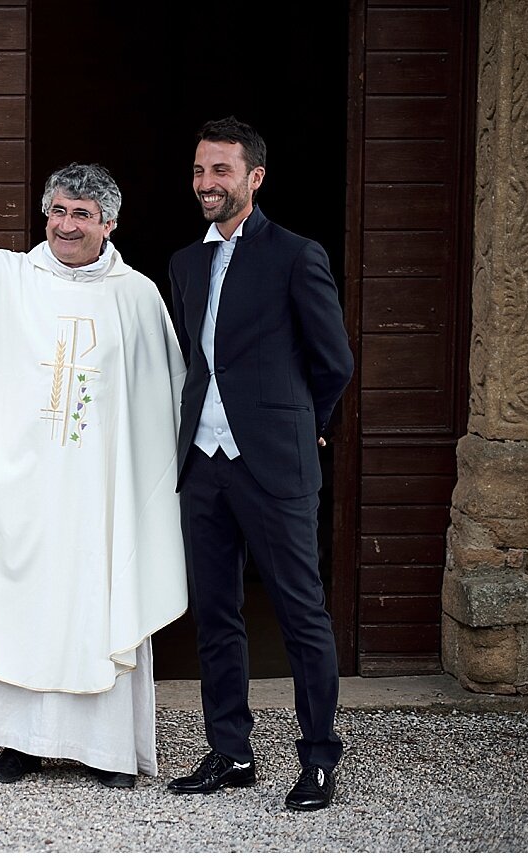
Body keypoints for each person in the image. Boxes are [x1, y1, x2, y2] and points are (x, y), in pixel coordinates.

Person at [0, 119, 188, 787]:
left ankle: (106, 752)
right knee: (15, 604)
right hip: (19, 494)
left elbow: (164, 408)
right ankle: (15, 745)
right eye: (58, 210)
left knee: (95, 604)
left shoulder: (137, 300)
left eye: (82, 214)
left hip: (98, 501)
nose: (66, 225)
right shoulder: (4, 278)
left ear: (108, 223)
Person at [165, 117, 354, 811]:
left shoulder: (296, 254)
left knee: (303, 615)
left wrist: (308, 428)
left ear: (254, 178)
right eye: (199, 171)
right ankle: (231, 751)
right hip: (203, 465)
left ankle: (320, 759)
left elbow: (334, 361)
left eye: (221, 170)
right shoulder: (185, 262)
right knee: (215, 614)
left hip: (274, 463)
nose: (207, 183)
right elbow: (197, 361)